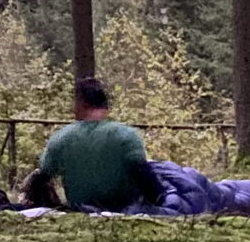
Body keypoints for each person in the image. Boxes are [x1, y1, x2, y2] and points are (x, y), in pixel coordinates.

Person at [35, 77, 164, 210]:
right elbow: (146, 180)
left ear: (80, 104)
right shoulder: (126, 136)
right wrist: (159, 201)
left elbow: (41, 178)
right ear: (106, 106)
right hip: (124, 212)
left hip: (80, 211)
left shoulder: (61, 138)